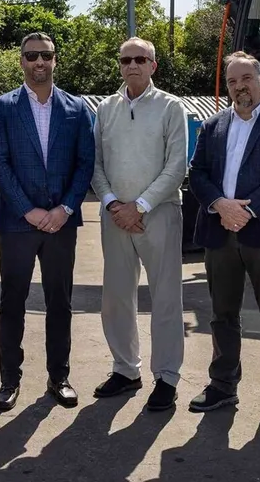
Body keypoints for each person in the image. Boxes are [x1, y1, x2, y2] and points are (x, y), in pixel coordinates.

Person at [186, 50, 260, 429]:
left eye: (246, 79)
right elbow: (198, 172)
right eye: (233, 81)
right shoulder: (213, 126)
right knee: (223, 315)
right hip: (220, 233)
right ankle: (223, 386)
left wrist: (248, 211)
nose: (240, 87)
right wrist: (221, 205)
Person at [0, 32, 95, 412]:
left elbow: (85, 163)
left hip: (61, 222)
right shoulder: (1, 108)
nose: (39, 63)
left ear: (54, 60)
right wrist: (27, 210)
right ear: (21, 61)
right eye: (32, 56)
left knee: (60, 302)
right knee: (11, 301)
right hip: (17, 223)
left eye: (46, 55)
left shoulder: (78, 109)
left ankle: (58, 376)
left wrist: (64, 208)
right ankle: (8, 380)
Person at [90, 37, 189, 412]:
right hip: (115, 216)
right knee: (116, 298)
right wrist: (115, 204)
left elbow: (176, 165)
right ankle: (125, 369)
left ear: (153, 65)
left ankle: (166, 376)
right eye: (125, 59)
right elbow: (96, 164)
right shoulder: (105, 108)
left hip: (158, 214)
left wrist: (141, 206)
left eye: (140, 59)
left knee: (165, 298)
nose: (132, 65)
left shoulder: (170, 107)